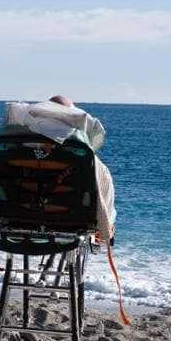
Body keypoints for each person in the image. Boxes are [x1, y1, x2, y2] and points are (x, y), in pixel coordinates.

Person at [48, 95, 116, 242]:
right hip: (72, 219)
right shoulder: (86, 158)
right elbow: (103, 200)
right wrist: (106, 228)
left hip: (20, 214)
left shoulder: (15, 149)